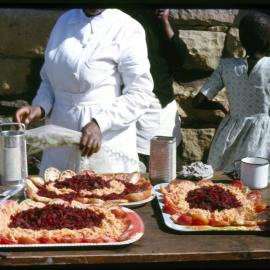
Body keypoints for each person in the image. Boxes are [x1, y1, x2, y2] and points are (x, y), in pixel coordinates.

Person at [15, 8, 160, 175]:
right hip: (60, 141)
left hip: (104, 141)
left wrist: (100, 123)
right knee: (55, 195)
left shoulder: (126, 27)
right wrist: (40, 106)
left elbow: (140, 92)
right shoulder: (64, 21)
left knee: (105, 196)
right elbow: (49, 78)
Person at [192, 11, 270, 173]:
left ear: (241, 40)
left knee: (223, 184)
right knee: (257, 183)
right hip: (261, 137)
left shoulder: (226, 66)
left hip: (229, 134)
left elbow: (198, 101)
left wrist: (220, 105)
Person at [127, 8, 189, 167]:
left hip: (163, 103)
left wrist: (166, 23)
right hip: (135, 102)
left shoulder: (165, 23)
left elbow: (181, 58)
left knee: (167, 165)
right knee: (138, 163)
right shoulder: (129, 19)